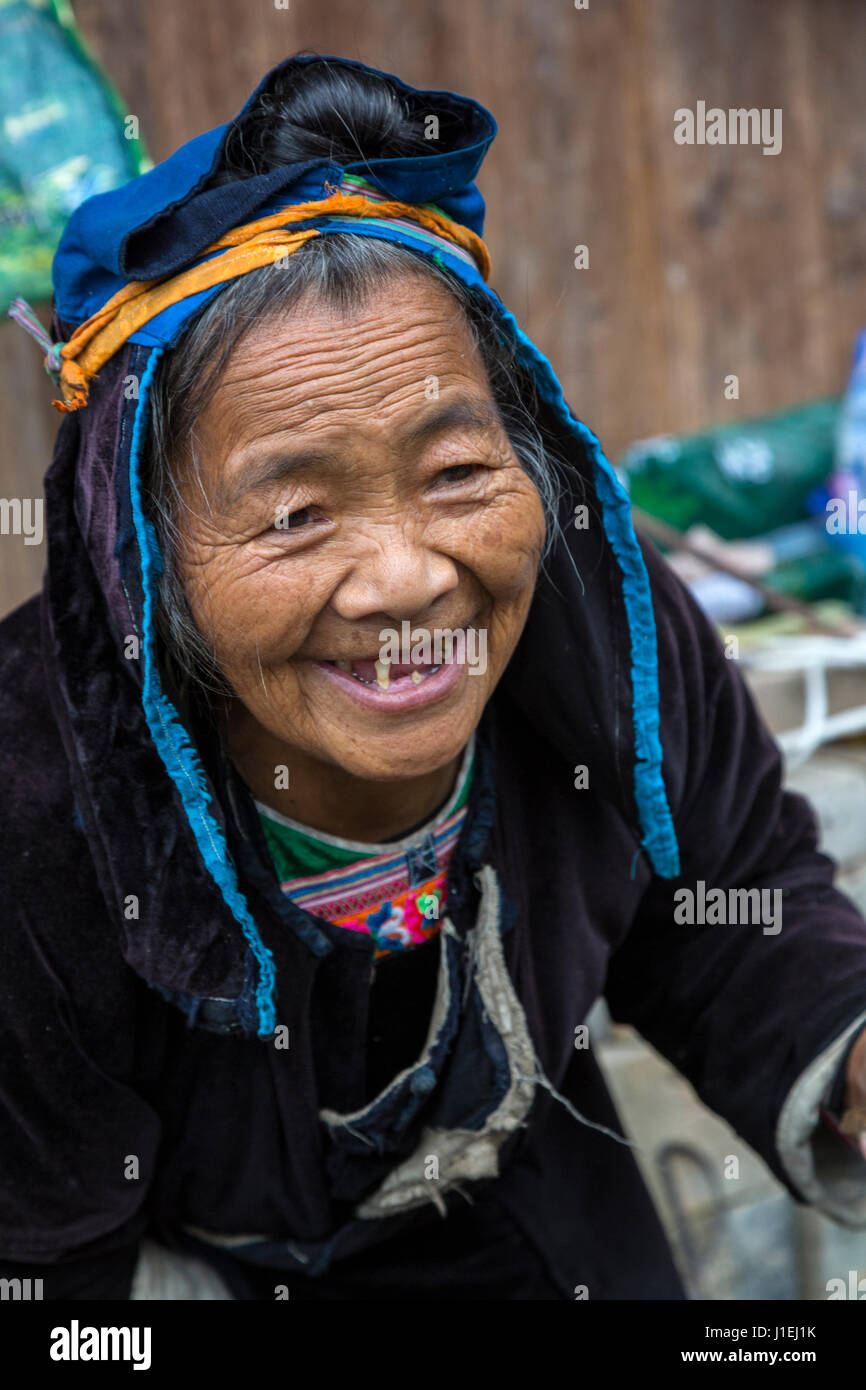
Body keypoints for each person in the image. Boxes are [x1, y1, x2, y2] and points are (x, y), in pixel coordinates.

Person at [3, 50, 866, 1302]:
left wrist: (848, 1059)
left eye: (456, 472)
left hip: (525, 1174)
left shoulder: (607, 637)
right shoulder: (39, 799)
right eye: (296, 514)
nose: (407, 578)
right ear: (143, 558)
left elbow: (724, 901)